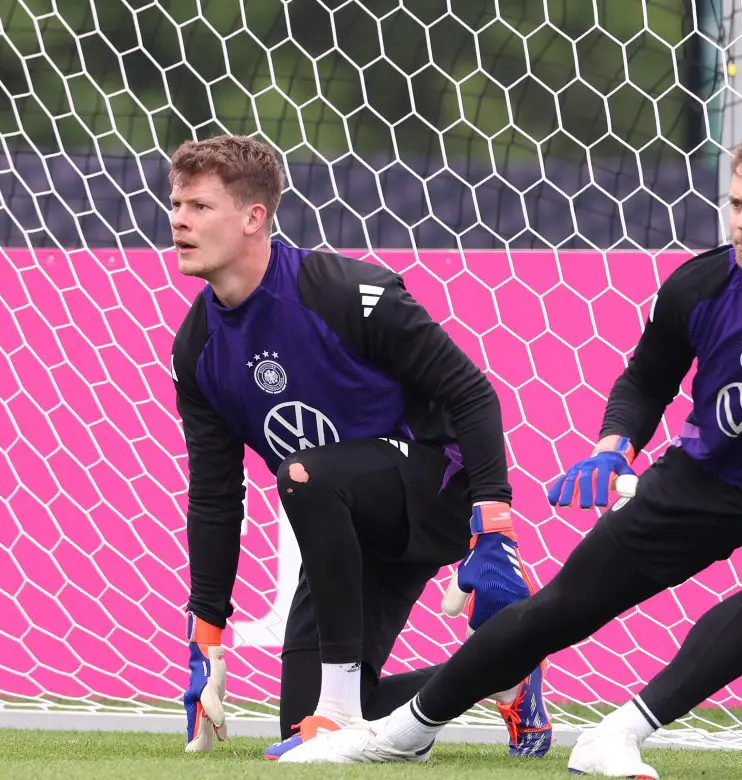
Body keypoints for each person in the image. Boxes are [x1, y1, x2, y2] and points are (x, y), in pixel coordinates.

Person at [278, 133, 742, 774]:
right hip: (704, 476)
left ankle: (619, 733)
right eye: (738, 203)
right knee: (564, 605)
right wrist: (615, 445)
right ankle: (402, 732)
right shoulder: (699, 284)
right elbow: (647, 379)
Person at [168, 134, 551, 760]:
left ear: (253, 218)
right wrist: (206, 631)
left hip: (432, 483)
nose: (180, 220)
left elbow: (472, 393)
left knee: (304, 476)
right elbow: (214, 495)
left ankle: (339, 706)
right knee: (299, 721)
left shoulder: (346, 293)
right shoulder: (197, 351)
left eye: (200, 206)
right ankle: (503, 674)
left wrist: (494, 526)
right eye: (177, 204)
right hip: (340, 526)